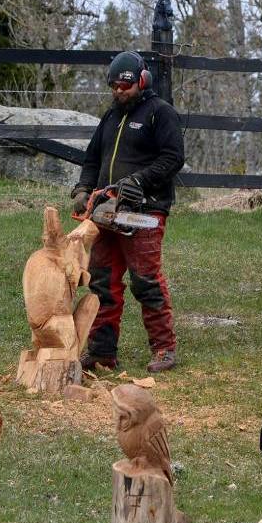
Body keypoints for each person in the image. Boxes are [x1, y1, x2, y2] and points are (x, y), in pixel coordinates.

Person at [70, 51, 184, 373]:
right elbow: (92, 159)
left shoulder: (160, 114)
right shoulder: (110, 117)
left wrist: (138, 181)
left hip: (143, 211)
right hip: (105, 212)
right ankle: (102, 351)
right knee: (103, 282)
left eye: (126, 85)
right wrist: (82, 190)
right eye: (115, 86)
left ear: (142, 81)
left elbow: (173, 158)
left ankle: (164, 348)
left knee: (145, 281)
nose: (120, 91)